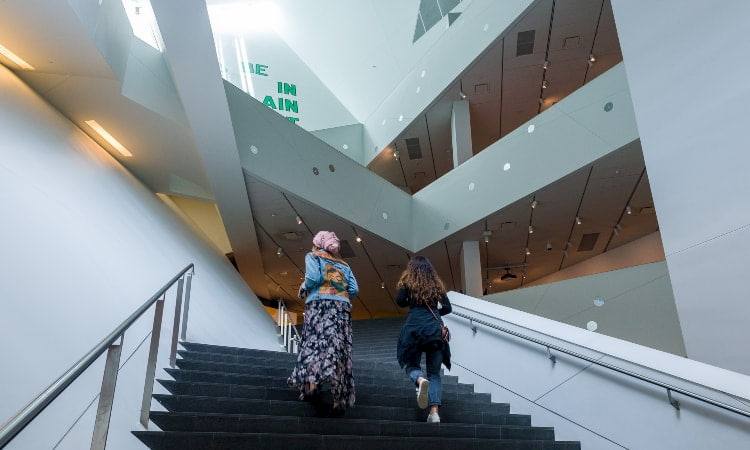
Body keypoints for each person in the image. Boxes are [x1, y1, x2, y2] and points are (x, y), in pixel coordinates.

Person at [288, 231, 359, 417]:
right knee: (338, 350)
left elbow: (314, 278)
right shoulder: (345, 264)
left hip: (319, 305)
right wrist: (340, 298)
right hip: (341, 308)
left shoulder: (312, 256)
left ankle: (312, 385)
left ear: (317, 244)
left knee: (315, 343)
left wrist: (303, 287)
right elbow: (354, 289)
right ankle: (338, 401)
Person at [395, 255, 452, 424]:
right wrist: (433, 312)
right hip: (434, 330)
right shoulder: (436, 284)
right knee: (434, 374)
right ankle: (434, 414)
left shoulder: (408, 281)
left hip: (414, 329)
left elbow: (399, 301)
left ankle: (420, 380)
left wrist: (413, 304)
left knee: (410, 364)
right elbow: (448, 308)